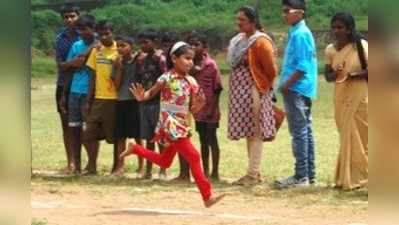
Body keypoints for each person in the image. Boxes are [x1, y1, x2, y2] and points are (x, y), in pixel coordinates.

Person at [121, 41, 225, 208]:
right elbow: (151, 92)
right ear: (174, 58)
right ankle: (207, 196)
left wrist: (198, 104)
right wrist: (142, 96)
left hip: (182, 124)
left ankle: (136, 149)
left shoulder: (191, 80)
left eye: (192, 59)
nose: (190, 62)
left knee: (164, 161)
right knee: (194, 156)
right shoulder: (166, 77)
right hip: (169, 124)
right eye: (186, 58)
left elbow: (198, 102)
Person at [226, 6, 278, 186]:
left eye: (242, 20)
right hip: (239, 91)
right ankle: (254, 173)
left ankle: (252, 174)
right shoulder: (238, 41)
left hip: (254, 89)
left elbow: (271, 70)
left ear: (253, 21)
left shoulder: (261, 42)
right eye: (237, 19)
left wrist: (263, 88)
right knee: (249, 131)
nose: (238, 23)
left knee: (255, 131)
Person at [275, 0, 318, 188]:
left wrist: (286, 85)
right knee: (305, 130)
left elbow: (302, 66)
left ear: (300, 12)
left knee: (299, 132)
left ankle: (301, 176)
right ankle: (309, 175)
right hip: (301, 88)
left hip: (296, 88)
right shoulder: (297, 32)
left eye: (287, 11)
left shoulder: (300, 34)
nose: (284, 14)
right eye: (283, 11)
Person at [324, 12, 368, 190]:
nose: (336, 31)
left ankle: (363, 177)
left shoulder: (362, 46)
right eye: (333, 27)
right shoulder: (330, 50)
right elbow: (327, 75)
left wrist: (353, 75)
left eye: (340, 27)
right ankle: (345, 178)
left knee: (361, 138)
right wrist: (334, 74)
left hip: (361, 97)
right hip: (341, 97)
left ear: (349, 29)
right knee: (346, 137)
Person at [83, 20, 119, 175]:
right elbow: (92, 76)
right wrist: (88, 100)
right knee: (88, 133)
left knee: (116, 136)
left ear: (113, 32)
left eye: (107, 33)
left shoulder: (120, 50)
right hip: (98, 99)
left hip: (115, 100)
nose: (104, 37)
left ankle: (116, 167)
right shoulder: (96, 50)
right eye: (101, 34)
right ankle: (92, 166)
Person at [63, 15, 97, 173]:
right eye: (79, 29)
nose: (82, 32)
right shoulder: (76, 45)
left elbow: (81, 62)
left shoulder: (99, 46)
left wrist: (80, 59)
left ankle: (92, 164)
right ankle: (76, 165)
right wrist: (65, 94)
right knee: (74, 129)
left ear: (93, 29)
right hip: (74, 91)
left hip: (89, 92)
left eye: (85, 29)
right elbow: (68, 69)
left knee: (88, 131)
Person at [188, 31, 223, 181]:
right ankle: (205, 171)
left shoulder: (211, 65)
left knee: (212, 139)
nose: (194, 48)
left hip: (210, 109)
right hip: (198, 109)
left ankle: (215, 172)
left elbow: (217, 89)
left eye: (197, 45)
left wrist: (211, 108)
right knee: (202, 139)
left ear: (205, 47)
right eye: (191, 45)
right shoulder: (190, 65)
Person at [135, 29, 168, 179]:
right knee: (148, 137)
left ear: (154, 42)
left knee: (159, 137)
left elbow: (167, 79)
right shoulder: (141, 60)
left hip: (158, 102)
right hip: (145, 101)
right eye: (140, 42)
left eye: (146, 42)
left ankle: (162, 169)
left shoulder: (160, 59)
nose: (143, 45)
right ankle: (148, 170)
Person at [111, 36, 142, 176]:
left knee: (138, 135)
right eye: (118, 46)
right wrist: (119, 68)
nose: (120, 48)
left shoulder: (139, 60)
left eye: (123, 45)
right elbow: (116, 86)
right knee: (120, 136)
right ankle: (120, 166)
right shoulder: (117, 62)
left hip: (135, 101)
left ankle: (141, 166)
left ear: (131, 45)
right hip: (121, 100)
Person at [54, 4, 80, 173]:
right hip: (63, 85)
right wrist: (72, 63)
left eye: (72, 16)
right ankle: (71, 162)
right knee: (66, 125)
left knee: (83, 126)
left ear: (78, 16)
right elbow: (60, 65)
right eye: (66, 17)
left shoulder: (86, 36)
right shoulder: (59, 39)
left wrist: (68, 64)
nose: (69, 19)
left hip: (81, 86)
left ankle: (85, 163)